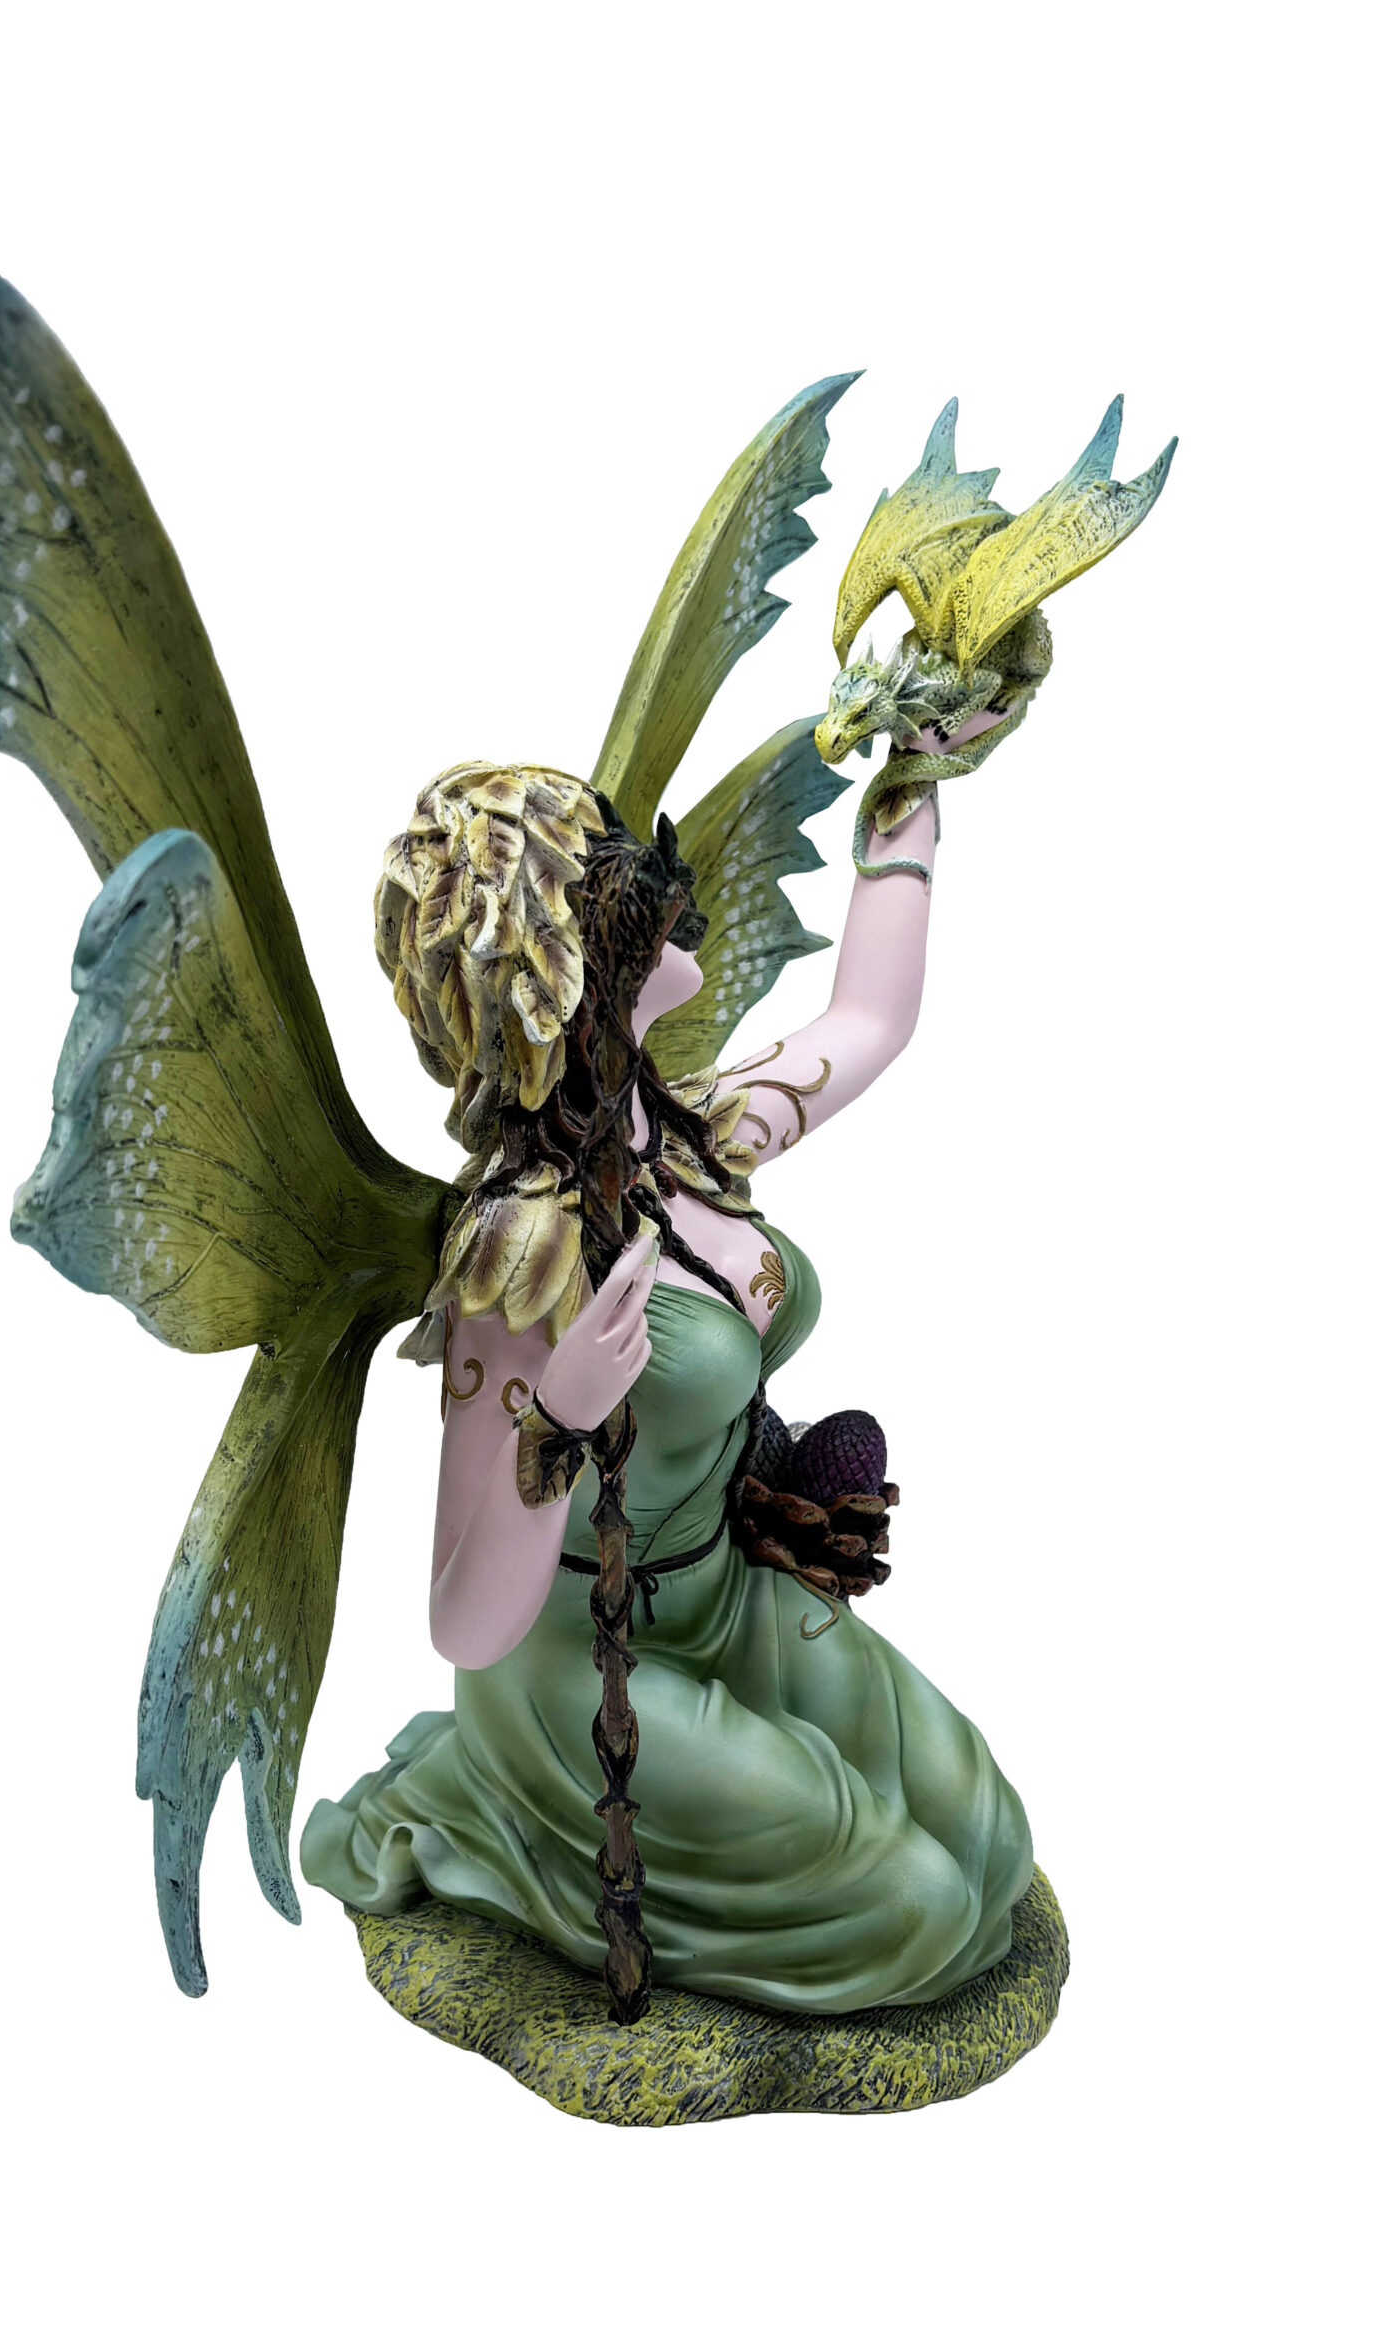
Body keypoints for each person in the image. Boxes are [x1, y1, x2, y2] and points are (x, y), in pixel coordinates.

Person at [300, 732, 1035, 2015]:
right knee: (920, 1911)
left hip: (724, 1593)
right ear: (561, 977)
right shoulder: (517, 1258)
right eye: (606, 877)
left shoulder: (696, 1133)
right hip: (579, 1671)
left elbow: (868, 1022)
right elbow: (462, 1620)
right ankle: (510, 1829)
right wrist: (558, 1419)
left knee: (992, 1844)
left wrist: (910, 794)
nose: (656, 875)